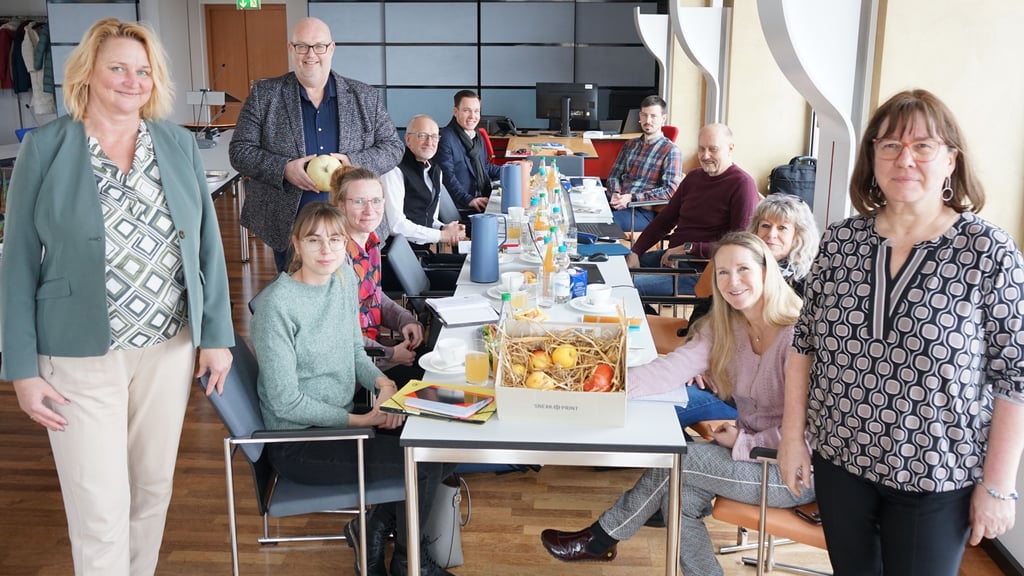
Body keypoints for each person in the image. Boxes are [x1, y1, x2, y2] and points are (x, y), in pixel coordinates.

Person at [0, 18, 234, 576]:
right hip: (78, 357)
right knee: (100, 508)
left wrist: (217, 337)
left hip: (168, 348)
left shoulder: (175, 143)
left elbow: (206, 248)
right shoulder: (47, 148)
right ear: (88, 73)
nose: (133, 81)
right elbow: (16, 263)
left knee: (150, 492)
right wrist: (22, 369)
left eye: (143, 71)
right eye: (118, 68)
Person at [777, 89, 1024, 576]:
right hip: (840, 456)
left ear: (951, 159)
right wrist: (791, 437)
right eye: (888, 145)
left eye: (923, 146)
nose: (903, 158)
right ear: (872, 158)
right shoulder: (842, 241)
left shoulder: (988, 251)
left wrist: (998, 485)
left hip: (936, 471)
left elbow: (1014, 375)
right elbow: (804, 347)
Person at [540, 232, 814, 575]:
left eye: (743, 269)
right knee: (678, 500)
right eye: (723, 272)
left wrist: (747, 441)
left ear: (766, 271)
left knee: (677, 457)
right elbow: (669, 370)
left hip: (792, 471)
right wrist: (594, 386)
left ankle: (600, 538)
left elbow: (811, 431)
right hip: (751, 456)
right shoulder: (726, 327)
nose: (733, 281)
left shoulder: (797, 335)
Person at [251, 202, 454, 576]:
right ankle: (411, 564)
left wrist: (383, 384)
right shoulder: (277, 306)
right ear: (296, 244)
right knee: (424, 463)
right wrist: (360, 420)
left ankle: (372, 527)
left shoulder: (342, 279)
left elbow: (353, 352)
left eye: (334, 239)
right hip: (301, 443)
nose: (326, 249)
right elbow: (285, 400)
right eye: (314, 240)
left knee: (450, 435)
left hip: (345, 423)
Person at [229, 16, 404, 272]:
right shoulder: (265, 95)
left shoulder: (365, 96)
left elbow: (393, 147)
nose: (311, 54)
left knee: (357, 298)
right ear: (291, 49)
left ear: (331, 48)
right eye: (302, 46)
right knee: (300, 302)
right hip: (291, 227)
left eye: (318, 46)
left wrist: (352, 163)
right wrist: (284, 168)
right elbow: (239, 150)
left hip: (354, 223)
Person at [678, 193, 821, 428]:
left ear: (798, 236)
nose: (771, 234)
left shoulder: (809, 287)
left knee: (667, 408)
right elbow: (705, 313)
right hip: (717, 378)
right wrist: (698, 361)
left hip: (753, 405)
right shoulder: (740, 266)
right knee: (662, 399)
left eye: (782, 228)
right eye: (765, 225)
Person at [627, 123, 760, 297]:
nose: (705, 156)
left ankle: (645, 317)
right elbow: (664, 221)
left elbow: (739, 246)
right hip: (673, 259)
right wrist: (636, 251)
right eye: (701, 149)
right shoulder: (694, 177)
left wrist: (690, 248)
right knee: (616, 270)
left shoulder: (742, 185)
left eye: (713, 149)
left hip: (703, 270)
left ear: (730, 148)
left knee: (627, 288)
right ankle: (645, 316)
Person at [331, 165, 426, 378]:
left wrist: (405, 319)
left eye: (376, 200)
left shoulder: (372, 244)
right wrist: (391, 354)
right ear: (341, 206)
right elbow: (341, 335)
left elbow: (374, 296)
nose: (369, 210)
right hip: (354, 370)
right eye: (358, 201)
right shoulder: (334, 259)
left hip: (375, 350)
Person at [381, 114, 466, 249]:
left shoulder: (436, 170)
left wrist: (444, 228)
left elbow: (429, 218)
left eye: (434, 136)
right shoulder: (394, 170)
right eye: (422, 135)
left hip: (423, 252)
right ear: (408, 139)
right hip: (403, 256)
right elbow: (396, 226)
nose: (429, 142)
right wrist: (441, 236)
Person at [605, 95, 683, 231]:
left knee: (602, 225)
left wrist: (632, 198)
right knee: (582, 213)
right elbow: (613, 175)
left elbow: (670, 190)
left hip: (642, 211)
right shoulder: (630, 144)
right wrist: (616, 193)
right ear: (640, 116)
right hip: (617, 202)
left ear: (663, 119)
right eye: (645, 115)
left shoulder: (671, 150)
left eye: (653, 116)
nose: (648, 121)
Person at [435, 89, 502, 212]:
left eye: (476, 111)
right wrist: (468, 199)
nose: (473, 116)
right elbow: (446, 176)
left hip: (483, 197)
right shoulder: (445, 138)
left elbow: (485, 166)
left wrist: (511, 171)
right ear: (455, 112)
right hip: (463, 206)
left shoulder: (477, 136)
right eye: (467, 111)